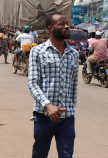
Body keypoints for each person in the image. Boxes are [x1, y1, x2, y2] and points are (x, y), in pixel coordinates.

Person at [28, 12, 78, 158]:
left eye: (66, 23)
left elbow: (73, 87)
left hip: (66, 118)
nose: (67, 26)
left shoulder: (73, 54)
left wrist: (72, 114)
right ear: (51, 28)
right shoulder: (38, 51)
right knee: (40, 154)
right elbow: (32, 83)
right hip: (43, 117)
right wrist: (48, 105)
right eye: (61, 24)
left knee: (66, 156)